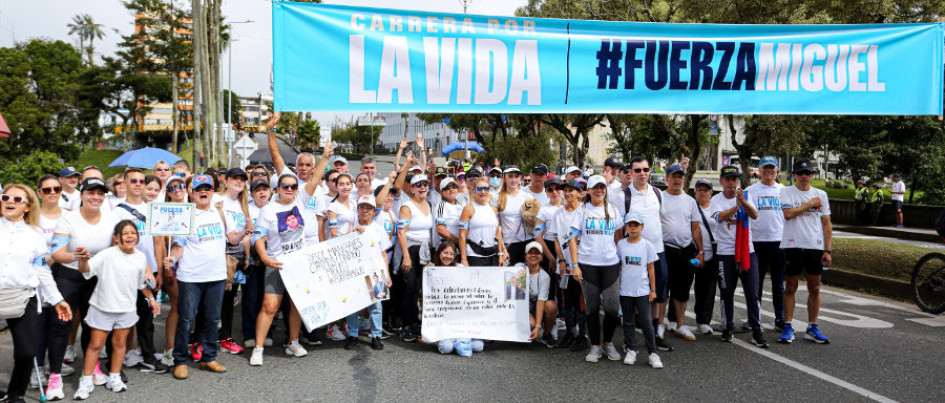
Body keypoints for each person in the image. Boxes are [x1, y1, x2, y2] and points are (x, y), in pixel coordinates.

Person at [250, 145, 332, 365]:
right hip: (276, 263)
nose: (290, 189)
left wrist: (325, 157)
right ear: (277, 188)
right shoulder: (268, 210)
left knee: (297, 305)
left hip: (299, 264)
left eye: (293, 186)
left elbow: (314, 179)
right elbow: (257, 238)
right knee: (269, 306)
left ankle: (293, 342)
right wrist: (266, 258)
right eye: (285, 186)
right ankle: (258, 349)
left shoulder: (301, 201)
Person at [72, 220, 160, 398]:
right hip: (102, 306)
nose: (130, 236)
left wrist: (151, 299)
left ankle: (114, 377)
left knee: (119, 344)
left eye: (133, 233)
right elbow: (86, 270)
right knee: (95, 344)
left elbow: (140, 283)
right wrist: (82, 261)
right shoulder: (106, 255)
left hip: (126, 308)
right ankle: (86, 380)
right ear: (116, 237)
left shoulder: (140, 257)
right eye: (125, 233)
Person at [1, 184, 72, 403]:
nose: (10, 201)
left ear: (28, 206)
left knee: (26, 351)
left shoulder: (36, 235)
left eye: (17, 199)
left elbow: (42, 269)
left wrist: (57, 299)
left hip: (24, 297)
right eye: (6, 197)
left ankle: (15, 395)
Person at [49, 178, 121, 386]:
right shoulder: (68, 218)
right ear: (81, 195)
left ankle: (92, 367)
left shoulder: (111, 217)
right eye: (91, 193)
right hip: (68, 274)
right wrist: (75, 256)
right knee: (62, 323)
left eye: (100, 193)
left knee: (93, 324)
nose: (95, 197)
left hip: (95, 276)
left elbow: (113, 249)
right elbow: (57, 253)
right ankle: (54, 375)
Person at [165, 174, 229, 379]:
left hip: (217, 275)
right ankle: (180, 360)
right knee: (186, 319)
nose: (203, 192)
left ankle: (209, 358)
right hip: (191, 277)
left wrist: (245, 230)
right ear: (191, 194)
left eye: (207, 188)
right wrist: (171, 260)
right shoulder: (186, 216)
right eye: (199, 189)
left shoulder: (220, 211)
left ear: (212, 191)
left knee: (211, 319)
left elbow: (232, 237)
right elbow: (177, 247)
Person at [111, 169, 167, 374]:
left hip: (148, 272)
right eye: (133, 180)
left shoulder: (153, 209)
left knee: (146, 318)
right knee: (122, 318)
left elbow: (158, 241)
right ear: (124, 183)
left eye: (141, 181)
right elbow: (113, 244)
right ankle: (117, 359)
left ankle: (147, 355)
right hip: (125, 273)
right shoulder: (116, 211)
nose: (138, 184)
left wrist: (159, 271)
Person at [614, 156, 670, 351]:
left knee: (656, 294)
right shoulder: (623, 196)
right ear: (631, 172)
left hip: (657, 251)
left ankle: (655, 334)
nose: (642, 173)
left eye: (645, 169)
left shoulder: (657, 193)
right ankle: (630, 340)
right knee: (632, 295)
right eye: (637, 170)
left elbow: (659, 219)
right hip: (632, 254)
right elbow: (617, 230)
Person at [710, 166, 767, 348]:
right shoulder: (716, 200)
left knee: (752, 292)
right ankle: (728, 327)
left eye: (735, 179)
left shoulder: (746, 196)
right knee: (727, 292)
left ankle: (757, 330)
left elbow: (755, 215)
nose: (732, 183)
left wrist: (743, 202)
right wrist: (736, 207)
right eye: (728, 179)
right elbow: (719, 218)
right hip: (725, 253)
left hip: (746, 251)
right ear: (721, 181)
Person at [778, 159, 833, 345]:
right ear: (794, 175)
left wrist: (828, 250)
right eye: (800, 173)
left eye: (807, 173)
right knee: (791, 287)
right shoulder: (786, 192)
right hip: (793, 245)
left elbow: (826, 224)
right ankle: (787, 326)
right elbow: (788, 214)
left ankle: (813, 327)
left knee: (815, 288)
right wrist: (810, 203)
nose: (803, 177)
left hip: (814, 246)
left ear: (812, 175)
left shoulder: (821, 195)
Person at [568, 175, 622, 362]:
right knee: (591, 308)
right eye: (595, 187)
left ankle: (608, 342)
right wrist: (575, 265)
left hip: (610, 264)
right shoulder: (582, 211)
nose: (599, 190)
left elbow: (619, 236)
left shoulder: (613, 210)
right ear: (588, 190)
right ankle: (595, 346)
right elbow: (572, 240)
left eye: (602, 187)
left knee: (612, 308)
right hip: (588, 264)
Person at [659, 165, 703, 341]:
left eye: (680, 177)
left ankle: (681, 325)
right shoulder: (659, 198)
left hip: (685, 251)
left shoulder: (690, 201)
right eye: (673, 176)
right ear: (667, 178)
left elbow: (695, 228)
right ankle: (660, 323)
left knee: (682, 290)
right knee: (663, 289)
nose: (677, 180)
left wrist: (700, 251)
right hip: (664, 249)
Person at [344, 196, 392, 351]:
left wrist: (388, 275)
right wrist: (351, 234)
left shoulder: (379, 229)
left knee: (376, 306)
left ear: (374, 211)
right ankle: (353, 335)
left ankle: (376, 335)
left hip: (375, 272)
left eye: (368, 208)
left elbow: (384, 254)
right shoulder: (350, 225)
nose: (364, 211)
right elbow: (341, 247)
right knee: (353, 305)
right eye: (361, 207)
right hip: (354, 273)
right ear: (357, 210)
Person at [214, 168, 254, 355]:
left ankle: (225, 337)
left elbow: (242, 234)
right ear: (226, 180)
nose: (239, 182)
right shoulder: (216, 199)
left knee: (228, 300)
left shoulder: (242, 204)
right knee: (213, 299)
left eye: (242, 179)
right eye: (235, 179)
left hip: (235, 257)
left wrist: (246, 256)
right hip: (217, 254)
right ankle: (205, 338)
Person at [617, 211, 662, 368]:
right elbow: (619, 267)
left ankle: (653, 353)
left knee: (646, 321)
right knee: (628, 321)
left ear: (642, 227)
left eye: (636, 225)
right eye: (630, 225)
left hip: (642, 290)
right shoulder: (621, 245)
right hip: (625, 290)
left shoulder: (647, 245)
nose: (633, 228)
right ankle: (631, 349)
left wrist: (653, 289)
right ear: (626, 227)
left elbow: (651, 269)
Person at [745, 156, 786, 331]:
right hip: (756, 242)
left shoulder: (785, 191)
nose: (769, 171)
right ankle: (754, 319)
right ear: (759, 170)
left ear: (777, 171)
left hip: (779, 242)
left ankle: (781, 318)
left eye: (772, 168)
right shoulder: (750, 190)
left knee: (778, 283)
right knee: (755, 284)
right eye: (765, 168)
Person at [427, 243, 485, 357]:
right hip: (443, 320)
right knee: (446, 347)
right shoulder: (432, 269)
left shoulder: (460, 268)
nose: (448, 256)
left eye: (451, 254)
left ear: (455, 256)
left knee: (479, 346)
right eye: (445, 252)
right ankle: (454, 343)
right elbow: (426, 295)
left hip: (461, 318)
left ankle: (461, 342)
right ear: (439, 253)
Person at [396, 174, 434, 342]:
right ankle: (406, 325)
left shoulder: (429, 204)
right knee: (409, 288)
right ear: (411, 188)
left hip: (424, 250)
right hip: (410, 249)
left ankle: (414, 322)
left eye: (425, 183)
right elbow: (401, 232)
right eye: (418, 184)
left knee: (417, 289)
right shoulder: (406, 206)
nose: (422, 187)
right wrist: (406, 256)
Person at [552, 178, 588, 350]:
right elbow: (557, 240)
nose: (567, 194)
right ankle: (570, 332)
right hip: (565, 264)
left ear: (579, 192)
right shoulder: (558, 214)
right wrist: (561, 259)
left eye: (571, 190)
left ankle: (583, 335)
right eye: (565, 190)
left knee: (581, 301)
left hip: (582, 263)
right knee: (566, 301)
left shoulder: (584, 212)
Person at [157, 175, 188, 366]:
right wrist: (166, 268)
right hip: (174, 265)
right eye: (172, 187)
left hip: (194, 266)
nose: (177, 189)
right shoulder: (163, 212)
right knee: (177, 306)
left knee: (189, 308)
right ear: (167, 192)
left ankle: (184, 345)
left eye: (180, 185)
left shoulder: (192, 208)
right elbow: (160, 242)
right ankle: (169, 348)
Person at [242, 179, 272, 349]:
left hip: (271, 259)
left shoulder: (274, 208)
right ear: (252, 194)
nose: (262, 193)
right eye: (257, 190)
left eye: (265, 189)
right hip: (252, 260)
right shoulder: (247, 210)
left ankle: (267, 332)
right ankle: (249, 333)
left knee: (267, 299)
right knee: (251, 298)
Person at [692, 179, 719, 335]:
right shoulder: (691, 208)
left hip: (712, 254)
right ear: (695, 192)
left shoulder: (716, 208)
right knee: (683, 284)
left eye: (706, 190)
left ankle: (703, 321)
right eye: (700, 190)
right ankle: (674, 319)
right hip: (692, 253)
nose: (703, 192)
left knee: (708, 289)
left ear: (711, 193)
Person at [459, 178, 505, 267]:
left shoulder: (493, 209)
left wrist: (500, 254)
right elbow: (462, 235)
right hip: (474, 256)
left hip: (492, 255)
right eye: (480, 189)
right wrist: (464, 259)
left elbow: (497, 234)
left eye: (486, 189)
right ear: (474, 190)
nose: (483, 192)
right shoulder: (468, 209)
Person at [521, 242, 557, 347]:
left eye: (537, 253)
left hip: (536, 305)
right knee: (530, 324)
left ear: (541, 257)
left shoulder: (545, 276)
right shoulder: (518, 269)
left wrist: (537, 326)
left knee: (551, 305)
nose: (533, 255)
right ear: (525, 256)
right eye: (530, 253)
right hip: (522, 307)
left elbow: (541, 301)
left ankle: (547, 333)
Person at [493, 166, 530, 265]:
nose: (513, 180)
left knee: (523, 277)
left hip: (525, 243)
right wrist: (502, 250)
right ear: (504, 178)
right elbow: (494, 226)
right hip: (506, 244)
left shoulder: (527, 196)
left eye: (516, 176)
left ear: (520, 178)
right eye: (510, 176)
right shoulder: (496, 197)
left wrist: (529, 216)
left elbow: (532, 222)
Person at [433, 177, 464, 249]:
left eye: (454, 187)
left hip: (459, 249)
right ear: (441, 192)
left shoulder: (460, 206)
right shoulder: (441, 206)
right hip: (446, 249)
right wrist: (460, 242)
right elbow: (441, 230)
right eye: (447, 188)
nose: (451, 189)